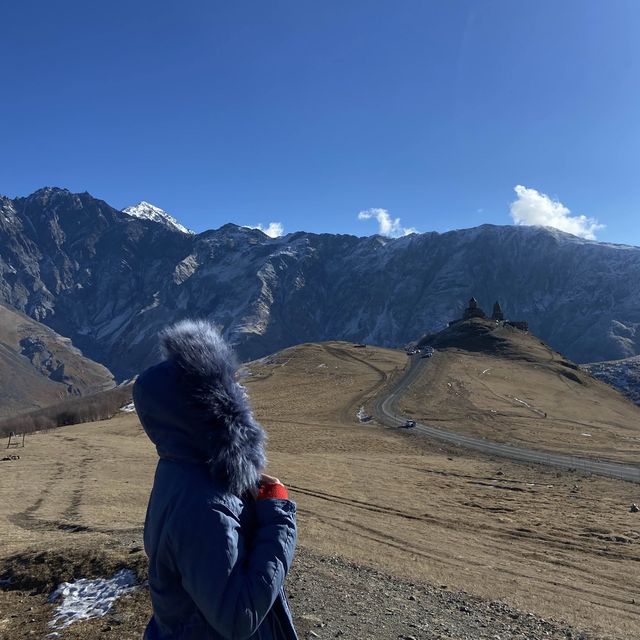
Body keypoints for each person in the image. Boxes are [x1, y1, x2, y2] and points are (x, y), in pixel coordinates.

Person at [133, 319, 298, 639]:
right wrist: (278, 518)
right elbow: (239, 618)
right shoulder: (203, 506)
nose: (240, 399)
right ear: (210, 410)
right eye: (227, 393)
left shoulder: (180, 469)